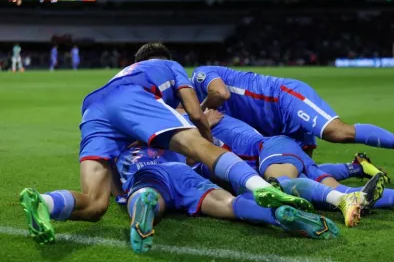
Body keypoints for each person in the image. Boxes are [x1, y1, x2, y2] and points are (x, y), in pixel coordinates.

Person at [19, 43, 303, 245]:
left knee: (94, 204)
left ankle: (43, 202)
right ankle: (263, 190)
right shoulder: (171, 66)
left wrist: (123, 189)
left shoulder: (124, 74)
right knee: (199, 146)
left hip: (93, 107)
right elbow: (195, 114)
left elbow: (117, 165)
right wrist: (206, 141)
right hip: (134, 107)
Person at [191, 66, 394, 182]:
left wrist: (199, 112)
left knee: (336, 132)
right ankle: (357, 167)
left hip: (282, 98)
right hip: (275, 127)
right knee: (302, 171)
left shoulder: (199, 76)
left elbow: (221, 93)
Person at [198, 110, 394, 221]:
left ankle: (344, 196)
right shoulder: (197, 126)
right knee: (336, 191)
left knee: (281, 185)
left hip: (270, 148)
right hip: (282, 153)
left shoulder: (197, 123)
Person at [114, 145, 339, 253]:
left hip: (147, 174)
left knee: (147, 194)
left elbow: (106, 180)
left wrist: (119, 194)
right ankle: (276, 216)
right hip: (182, 173)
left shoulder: (116, 147)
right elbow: (199, 157)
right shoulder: (169, 135)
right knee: (229, 204)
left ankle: (144, 205)